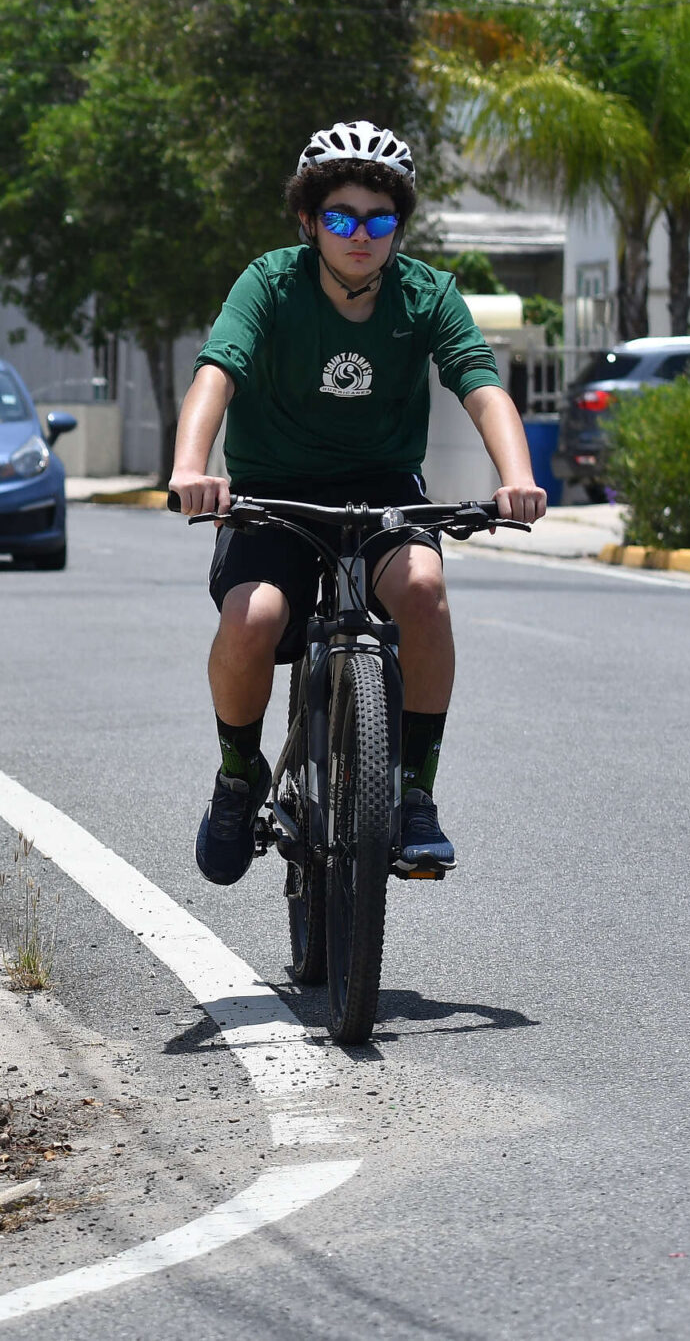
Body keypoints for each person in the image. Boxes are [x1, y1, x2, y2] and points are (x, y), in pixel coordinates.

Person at [167, 120, 548, 886]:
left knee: (423, 589)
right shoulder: (270, 282)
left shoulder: (427, 293)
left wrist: (517, 477)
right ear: (310, 222)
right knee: (255, 619)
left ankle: (413, 795)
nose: (361, 236)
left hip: (381, 490)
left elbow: (480, 384)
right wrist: (190, 467)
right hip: (273, 491)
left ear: (399, 226)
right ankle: (239, 777)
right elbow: (217, 371)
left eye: (380, 220)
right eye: (341, 218)